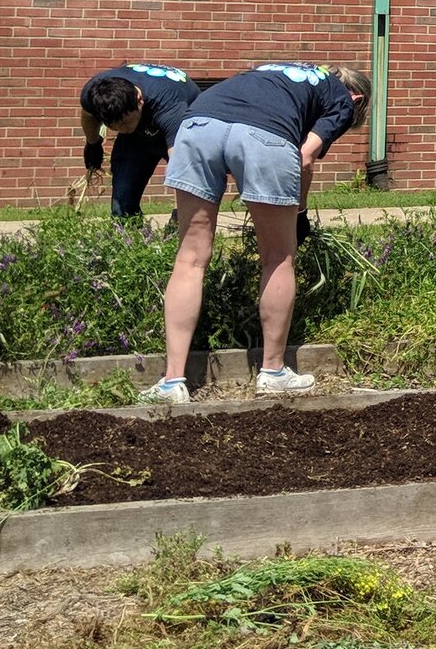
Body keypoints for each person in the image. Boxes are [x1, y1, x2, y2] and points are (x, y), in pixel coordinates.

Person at [142, 60, 369, 404]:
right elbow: (304, 157)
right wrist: (299, 213)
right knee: (278, 258)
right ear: (357, 99)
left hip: (197, 124)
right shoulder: (341, 98)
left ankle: (171, 381)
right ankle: (273, 372)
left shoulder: (274, 73)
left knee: (190, 258)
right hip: (264, 134)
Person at [78, 62, 200, 219]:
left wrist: (180, 214)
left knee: (184, 213)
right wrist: (93, 144)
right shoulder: (96, 93)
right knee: (122, 205)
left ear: (139, 100)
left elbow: (181, 163)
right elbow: (88, 114)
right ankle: (128, 229)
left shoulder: (169, 106)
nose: (121, 129)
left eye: (124, 122)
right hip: (137, 136)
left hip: (182, 129)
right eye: (114, 126)